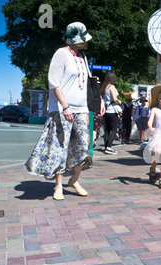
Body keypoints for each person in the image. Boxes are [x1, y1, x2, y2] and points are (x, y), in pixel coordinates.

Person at [24, 22, 105, 200]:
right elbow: (54, 83)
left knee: (84, 147)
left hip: (82, 108)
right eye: (82, 39)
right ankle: (58, 185)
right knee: (61, 148)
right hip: (62, 109)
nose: (85, 42)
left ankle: (74, 180)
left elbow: (88, 83)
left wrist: (98, 100)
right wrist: (65, 106)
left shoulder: (82, 56)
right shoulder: (61, 54)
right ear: (73, 39)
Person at [101, 71, 123, 154]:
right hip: (112, 110)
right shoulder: (111, 87)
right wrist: (120, 102)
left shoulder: (104, 87)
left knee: (107, 130)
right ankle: (109, 147)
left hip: (106, 110)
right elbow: (114, 99)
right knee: (114, 129)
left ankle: (106, 146)